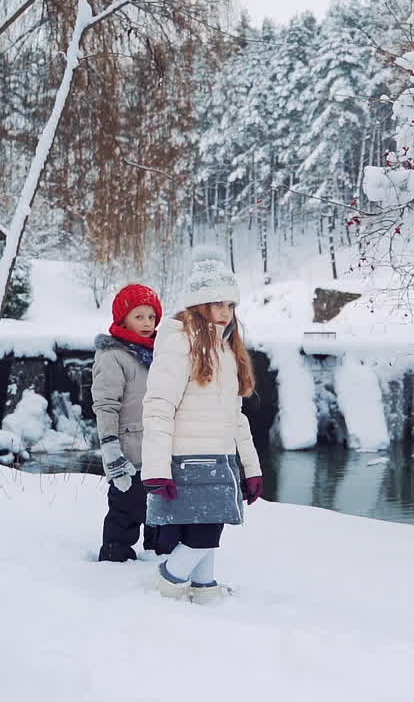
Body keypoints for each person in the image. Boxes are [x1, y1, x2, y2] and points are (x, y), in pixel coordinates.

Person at [141, 247, 264, 605]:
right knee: (206, 532)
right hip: (190, 458)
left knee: (207, 526)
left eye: (230, 305)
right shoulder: (181, 344)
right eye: (216, 304)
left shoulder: (227, 350)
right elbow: (158, 406)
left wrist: (251, 468)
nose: (225, 312)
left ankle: (203, 586)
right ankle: (168, 581)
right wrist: (157, 468)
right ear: (198, 305)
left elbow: (236, 416)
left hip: (221, 456)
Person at [91, 283, 164, 562]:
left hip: (158, 451)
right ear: (123, 319)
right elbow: (105, 406)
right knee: (126, 510)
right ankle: (114, 560)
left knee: (160, 513)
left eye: (151, 317)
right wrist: (111, 451)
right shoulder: (113, 357)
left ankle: (158, 560)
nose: (147, 323)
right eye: (139, 316)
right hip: (129, 454)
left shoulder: (158, 355)